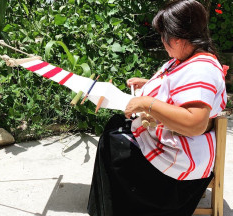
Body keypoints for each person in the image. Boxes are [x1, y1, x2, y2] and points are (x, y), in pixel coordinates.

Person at [87, 0, 228, 215]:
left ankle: (118, 206)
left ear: (180, 38)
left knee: (114, 142)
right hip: (174, 143)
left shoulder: (201, 69)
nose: (163, 41)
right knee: (115, 126)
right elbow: (178, 89)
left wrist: (147, 103)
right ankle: (109, 203)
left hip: (180, 163)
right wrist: (149, 85)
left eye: (164, 35)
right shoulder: (187, 58)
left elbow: (195, 123)